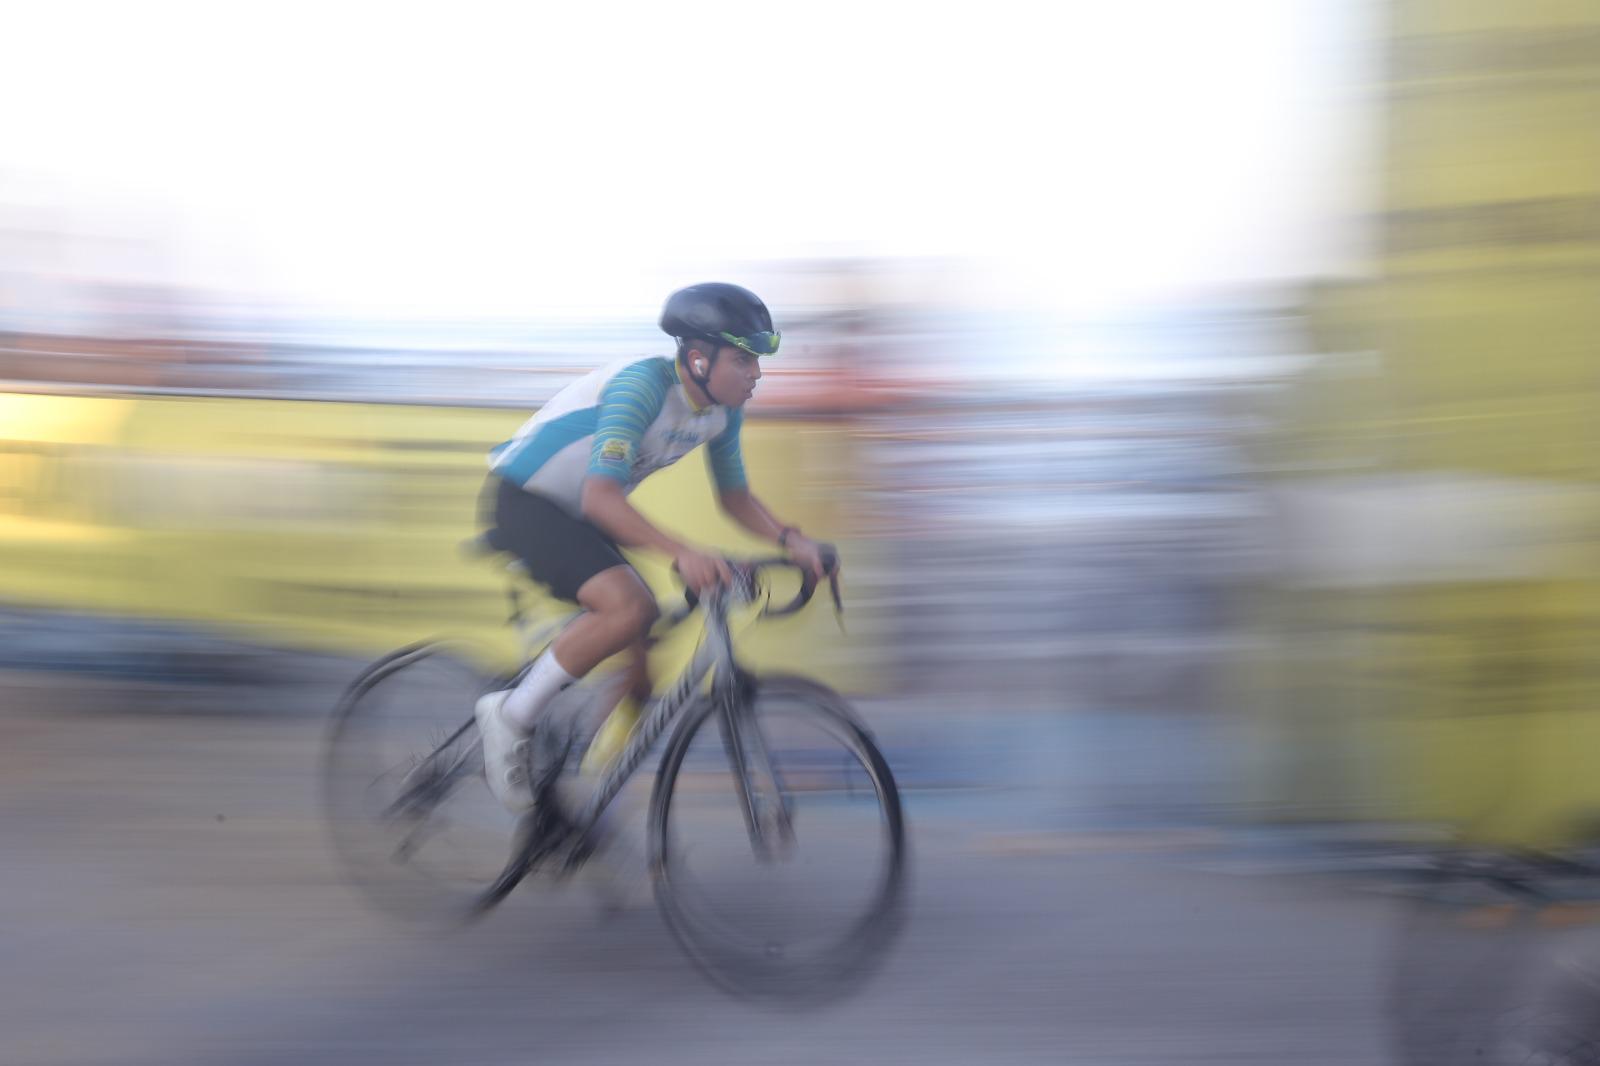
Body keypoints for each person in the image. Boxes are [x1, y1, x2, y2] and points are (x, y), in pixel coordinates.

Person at [474, 282, 835, 813]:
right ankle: (511, 715)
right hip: (525, 500)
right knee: (630, 607)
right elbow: (601, 498)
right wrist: (683, 553)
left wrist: (791, 540)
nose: (756, 373)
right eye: (743, 359)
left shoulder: (722, 410)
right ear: (697, 358)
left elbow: (735, 498)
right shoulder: (642, 385)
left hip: (579, 513)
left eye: (757, 360)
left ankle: (585, 792)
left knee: (644, 661)